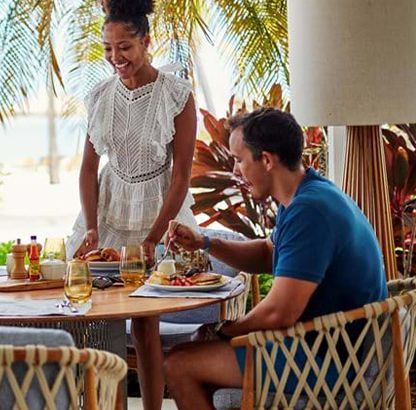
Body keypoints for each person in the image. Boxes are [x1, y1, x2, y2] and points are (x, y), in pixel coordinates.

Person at [162, 107, 388, 409]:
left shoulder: (310, 211)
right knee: (194, 358)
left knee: (179, 363)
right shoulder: (306, 193)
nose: (235, 170)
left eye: (239, 160)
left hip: (333, 360)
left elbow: (280, 312)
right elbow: (270, 253)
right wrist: (204, 242)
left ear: (267, 160)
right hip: (334, 347)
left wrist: (223, 332)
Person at [65, 0, 197, 408]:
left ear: (146, 42)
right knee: (100, 320)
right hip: (110, 207)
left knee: (145, 328)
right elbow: (88, 169)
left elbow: (181, 175)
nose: (115, 57)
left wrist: (154, 238)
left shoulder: (177, 95)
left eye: (124, 46)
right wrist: (90, 226)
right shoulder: (100, 96)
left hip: (159, 207)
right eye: (107, 48)